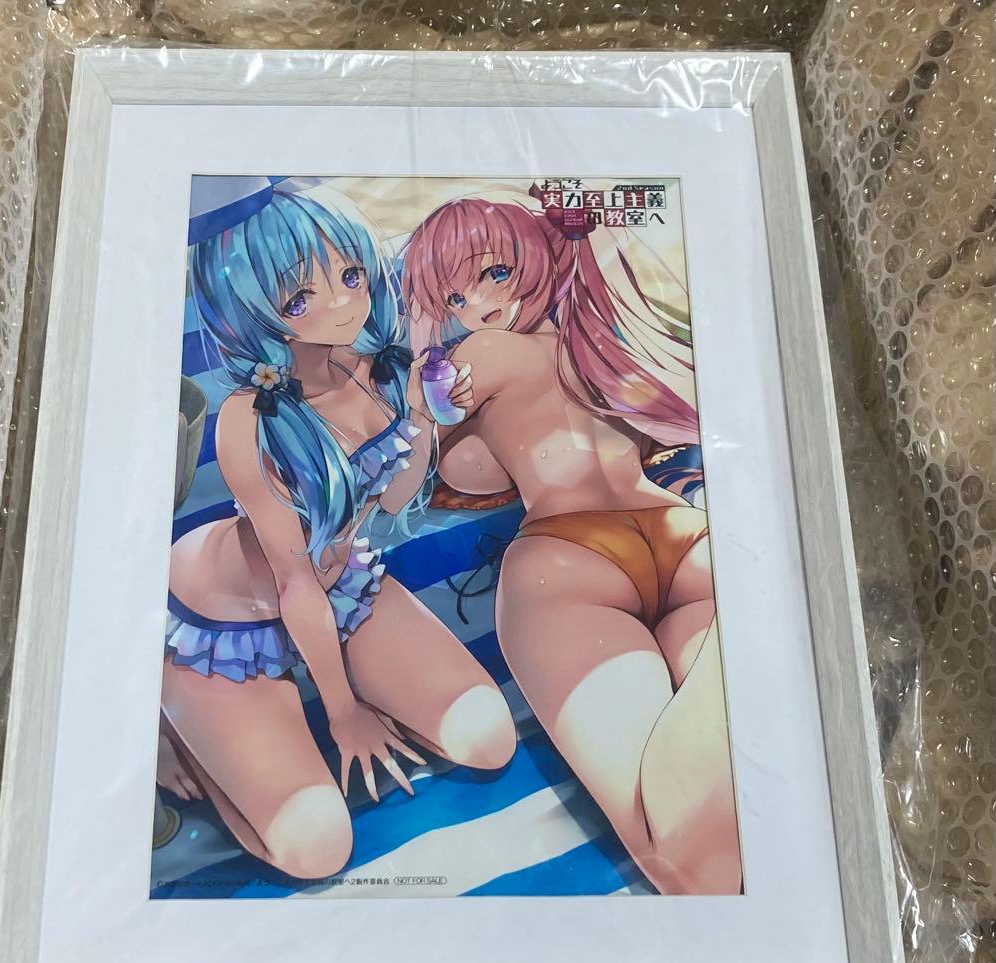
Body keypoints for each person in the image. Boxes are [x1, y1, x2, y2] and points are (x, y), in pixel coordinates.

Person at [159, 189, 515, 881]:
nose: (344, 303)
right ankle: (173, 717)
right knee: (318, 844)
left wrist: (421, 417)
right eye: (301, 298)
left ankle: (312, 702)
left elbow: (393, 499)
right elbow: (293, 583)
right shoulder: (247, 419)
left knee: (487, 735)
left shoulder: (372, 369)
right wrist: (343, 713)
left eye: (350, 275)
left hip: (339, 586)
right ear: (251, 311)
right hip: (226, 619)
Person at [402, 196, 741, 895]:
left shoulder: (480, 354)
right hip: (684, 534)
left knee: (685, 865)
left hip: (569, 555)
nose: (479, 305)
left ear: (534, 256)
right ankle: (750, 620)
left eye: (494, 273)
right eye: (456, 297)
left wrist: (418, 398)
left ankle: (749, 626)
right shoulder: (599, 346)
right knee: (722, 828)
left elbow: (426, 476)